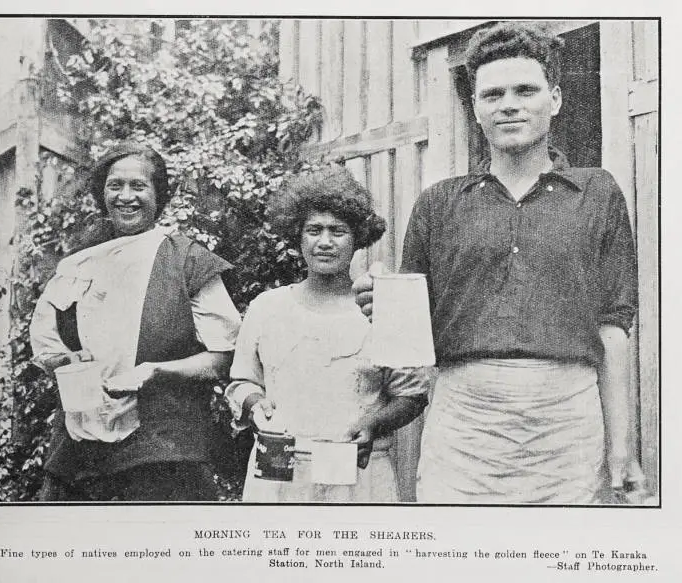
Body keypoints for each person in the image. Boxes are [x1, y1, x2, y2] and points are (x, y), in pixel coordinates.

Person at [354, 22, 642, 504]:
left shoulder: (598, 194)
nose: (508, 104)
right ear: (476, 108)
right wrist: (379, 303)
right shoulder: (438, 204)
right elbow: (409, 331)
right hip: (464, 427)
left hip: (567, 423)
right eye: (492, 94)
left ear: (554, 99)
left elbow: (614, 329)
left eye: (525, 90)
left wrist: (622, 449)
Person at [30, 142, 241, 501]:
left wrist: (155, 371)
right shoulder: (76, 265)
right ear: (101, 193)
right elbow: (50, 348)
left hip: (162, 453)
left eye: (139, 186)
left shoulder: (185, 259)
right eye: (115, 185)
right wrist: (67, 362)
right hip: (79, 449)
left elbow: (224, 358)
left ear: (159, 194)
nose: (126, 196)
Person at [226, 166, 430, 503]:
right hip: (279, 463)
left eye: (338, 231)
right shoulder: (267, 308)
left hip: (354, 467)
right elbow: (242, 382)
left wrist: (373, 423)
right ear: (297, 237)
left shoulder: (381, 308)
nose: (324, 242)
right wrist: (254, 403)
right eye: (314, 230)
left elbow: (412, 396)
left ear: (358, 238)